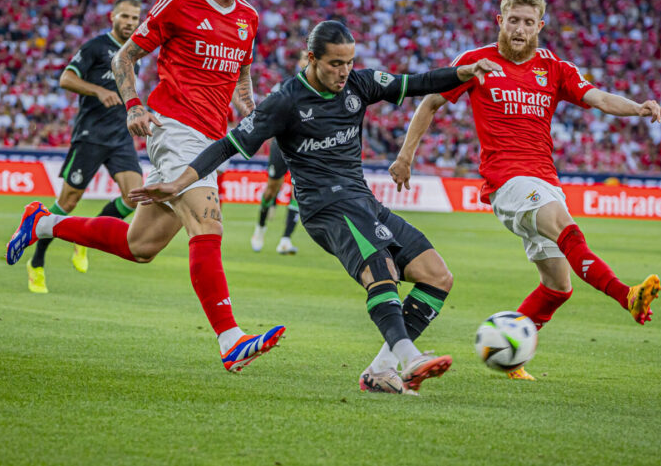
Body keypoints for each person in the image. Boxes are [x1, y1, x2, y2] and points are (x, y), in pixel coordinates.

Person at [129, 20, 503, 395]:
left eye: (349, 63)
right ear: (312, 58)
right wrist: (179, 183)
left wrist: (463, 72)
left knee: (437, 276)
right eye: (335, 64)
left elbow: (418, 82)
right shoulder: (285, 100)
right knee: (380, 269)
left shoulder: (360, 83)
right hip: (326, 208)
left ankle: (381, 370)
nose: (344, 72)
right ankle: (410, 358)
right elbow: (229, 145)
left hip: (363, 202)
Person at [6, 0, 283, 373]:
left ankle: (44, 223)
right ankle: (231, 339)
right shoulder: (178, 3)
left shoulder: (248, 17)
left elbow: (242, 78)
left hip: (211, 139)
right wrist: (134, 104)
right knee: (206, 223)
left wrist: (253, 113)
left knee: (141, 245)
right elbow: (123, 58)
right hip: (174, 128)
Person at [389, 0, 661, 381]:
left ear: (540, 26)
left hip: (544, 179)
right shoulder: (476, 61)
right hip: (508, 182)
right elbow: (430, 101)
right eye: (513, 20)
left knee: (557, 285)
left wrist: (637, 107)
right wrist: (404, 156)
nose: (519, 29)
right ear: (500, 21)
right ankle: (627, 295)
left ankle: (508, 351)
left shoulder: (555, 68)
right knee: (565, 227)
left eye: (528, 22)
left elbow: (599, 98)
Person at [25, 0, 146, 294]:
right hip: (90, 136)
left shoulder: (134, 53)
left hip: (120, 137)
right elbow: (66, 78)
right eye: (125, 16)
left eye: (135, 18)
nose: (130, 22)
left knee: (135, 197)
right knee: (66, 204)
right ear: (112, 17)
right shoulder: (95, 47)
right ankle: (36, 263)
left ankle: (84, 238)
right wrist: (97, 91)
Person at [250, 51, 310, 255]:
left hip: (305, 148)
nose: (307, 61)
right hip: (282, 146)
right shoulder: (285, 85)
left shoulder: (324, 90)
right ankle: (260, 228)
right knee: (271, 189)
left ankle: (285, 240)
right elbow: (268, 112)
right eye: (303, 58)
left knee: (297, 192)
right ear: (300, 62)